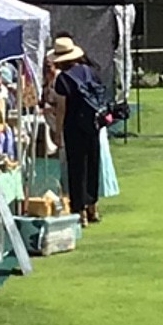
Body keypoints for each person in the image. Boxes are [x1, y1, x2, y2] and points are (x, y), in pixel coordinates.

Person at [49, 36, 107, 222]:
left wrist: (57, 133)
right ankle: (93, 206)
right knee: (92, 164)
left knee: (77, 167)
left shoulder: (63, 79)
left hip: (74, 126)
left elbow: (61, 108)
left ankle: (79, 210)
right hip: (93, 124)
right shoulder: (91, 72)